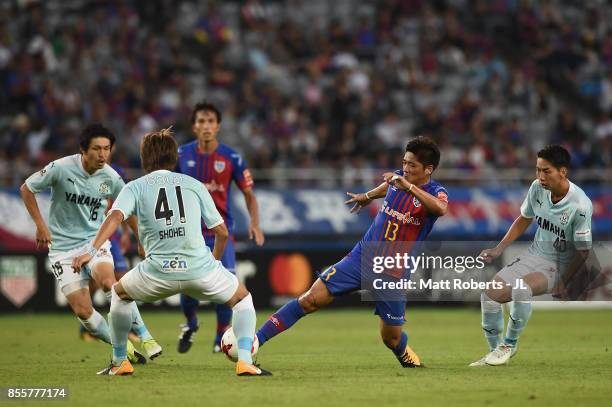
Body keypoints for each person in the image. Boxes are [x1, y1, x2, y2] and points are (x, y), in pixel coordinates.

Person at [73, 128, 271, 376]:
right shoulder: (194, 184)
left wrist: (91, 250)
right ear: (174, 159)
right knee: (243, 300)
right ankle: (245, 362)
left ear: (144, 159)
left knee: (119, 295)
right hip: (200, 269)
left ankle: (120, 361)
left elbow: (114, 217)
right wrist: (214, 262)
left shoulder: (133, 187)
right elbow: (221, 232)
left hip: (157, 272)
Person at [255, 136, 449, 367]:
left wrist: (409, 186)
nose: (405, 169)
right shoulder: (400, 178)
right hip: (362, 257)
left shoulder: (435, 192)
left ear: (428, 169)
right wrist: (367, 196)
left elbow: (441, 208)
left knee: (390, 337)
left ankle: (402, 351)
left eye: (412, 165)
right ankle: (254, 342)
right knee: (310, 299)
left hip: (392, 271)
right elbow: (388, 185)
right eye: (404, 163)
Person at [20, 123, 161, 363]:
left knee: (110, 282)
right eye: (97, 149)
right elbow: (26, 188)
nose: (103, 154)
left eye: (107, 149)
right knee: (84, 311)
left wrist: (140, 238)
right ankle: (123, 348)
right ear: (83, 150)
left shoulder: (111, 176)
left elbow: (126, 209)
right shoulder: (60, 168)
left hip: (94, 242)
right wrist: (41, 225)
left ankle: (146, 336)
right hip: (62, 249)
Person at [470, 145, 593, 366]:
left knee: (520, 288)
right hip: (533, 255)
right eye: (538, 170)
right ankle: (494, 354)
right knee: (489, 295)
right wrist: (498, 248)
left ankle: (509, 344)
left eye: (546, 171)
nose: (540, 176)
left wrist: (565, 281)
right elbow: (524, 219)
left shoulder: (581, 205)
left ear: (563, 172)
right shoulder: (537, 188)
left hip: (559, 264)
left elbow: (584, 250)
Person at [176, 101, 264, 353]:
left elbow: (249, 194)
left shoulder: (231, 157)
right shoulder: (181, 155)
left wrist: (255, 224)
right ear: (194, 126)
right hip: (189, 232)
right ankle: (191, 323)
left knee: (226, 282)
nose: (206, 126)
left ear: (218, 126)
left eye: (210, 121)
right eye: (201, 121)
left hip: (221, 233)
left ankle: (220, 337)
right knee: (189, 285)